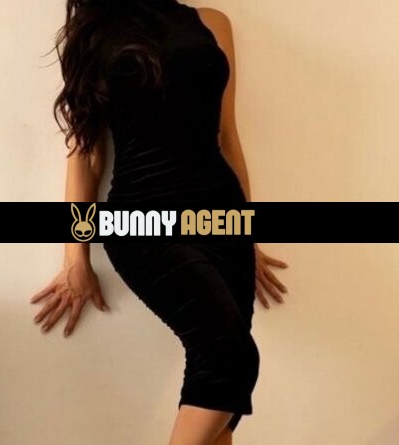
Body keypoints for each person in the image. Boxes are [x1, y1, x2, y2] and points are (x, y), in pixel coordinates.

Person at [30, 0, 289, 443]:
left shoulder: (212, 23)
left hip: (221, 217)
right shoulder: (92, 32)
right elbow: (84, 156)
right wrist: (76, 257)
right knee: (230, 359)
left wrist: (247, 234)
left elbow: (227, 135)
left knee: (218, 384)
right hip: (141, 222)